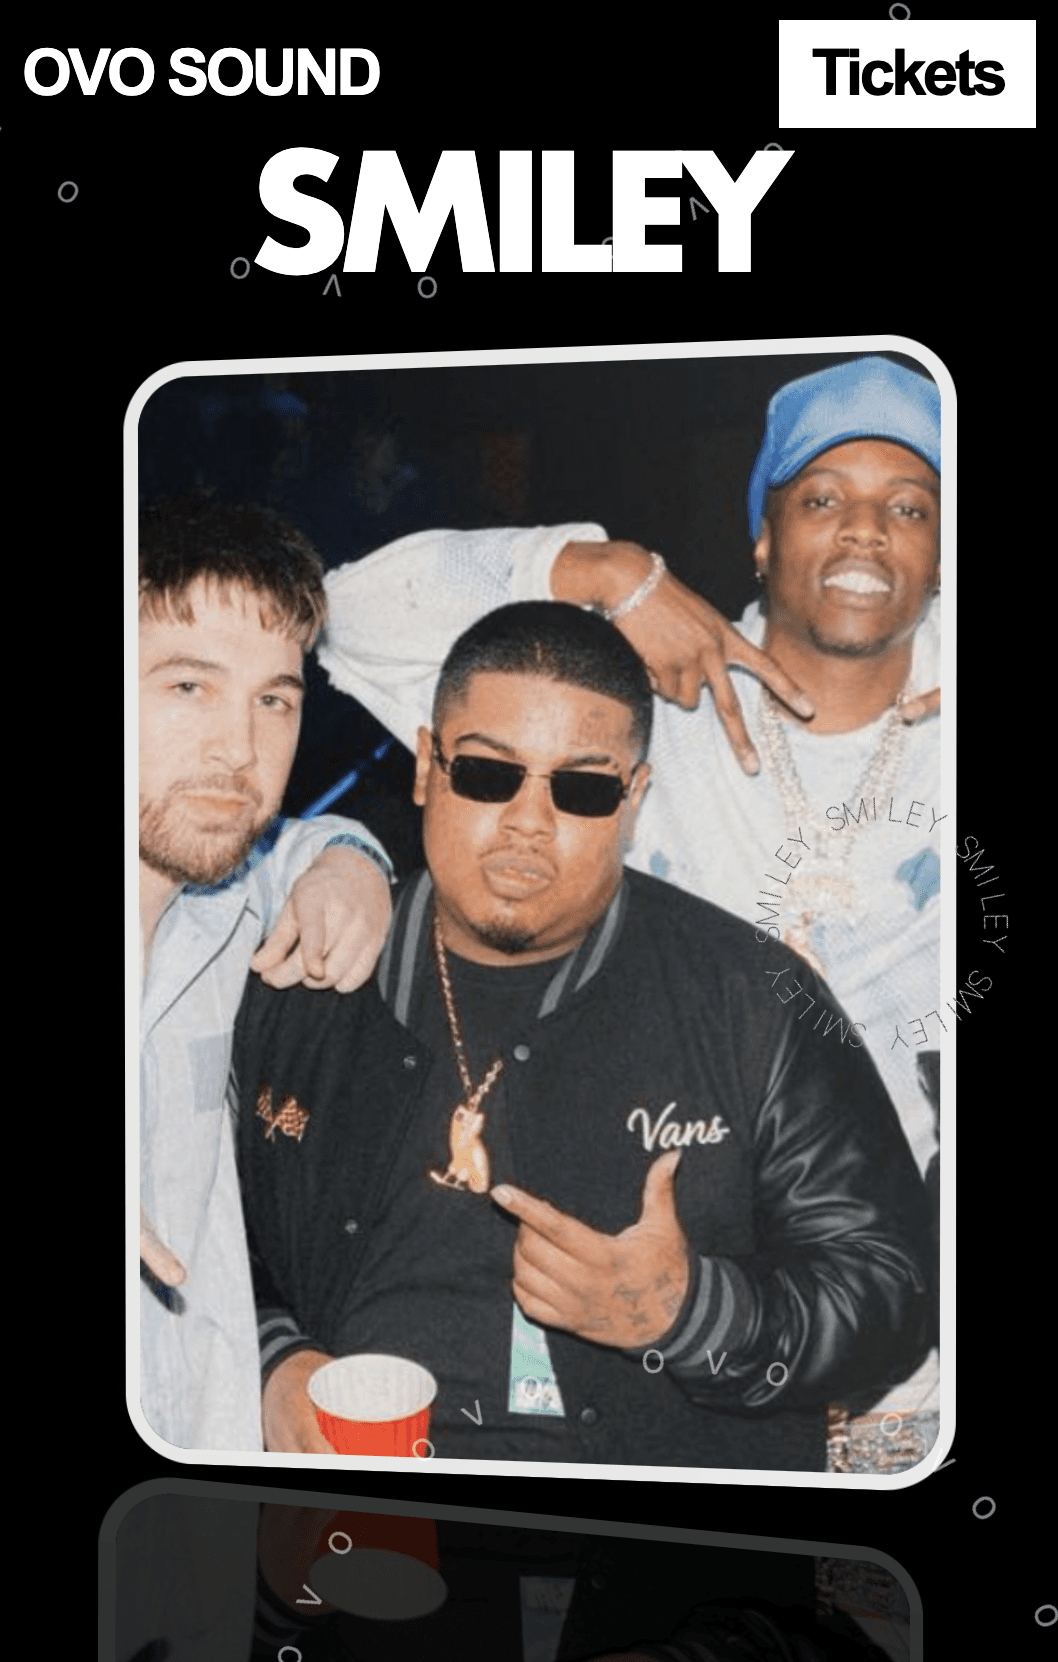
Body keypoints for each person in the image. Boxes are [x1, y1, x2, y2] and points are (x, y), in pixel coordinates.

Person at [313, 354, 944, 1470]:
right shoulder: (647, 715)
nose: (862, 530)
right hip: (621, 1309)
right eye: (819, 498)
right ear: (760, 537)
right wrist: (602, 571)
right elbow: (342, 618)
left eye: (909, 507)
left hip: (890, 1347)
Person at [234, 601, 934, 1472]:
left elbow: (894, 1294)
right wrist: (270, 1361)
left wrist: (690, 1311)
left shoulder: (753, 998)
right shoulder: (305, 973)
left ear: (633, 800)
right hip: (359, 1511)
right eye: (488, 773)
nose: (529, 820)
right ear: (425, 768)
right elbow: (198, 1237)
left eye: (583, 788)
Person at [138, 495, 395, 1451]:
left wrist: (350, 858)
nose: (240, 750)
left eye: (274, 700)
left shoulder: (227, 901)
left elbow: (288, 841)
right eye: (188, 686)